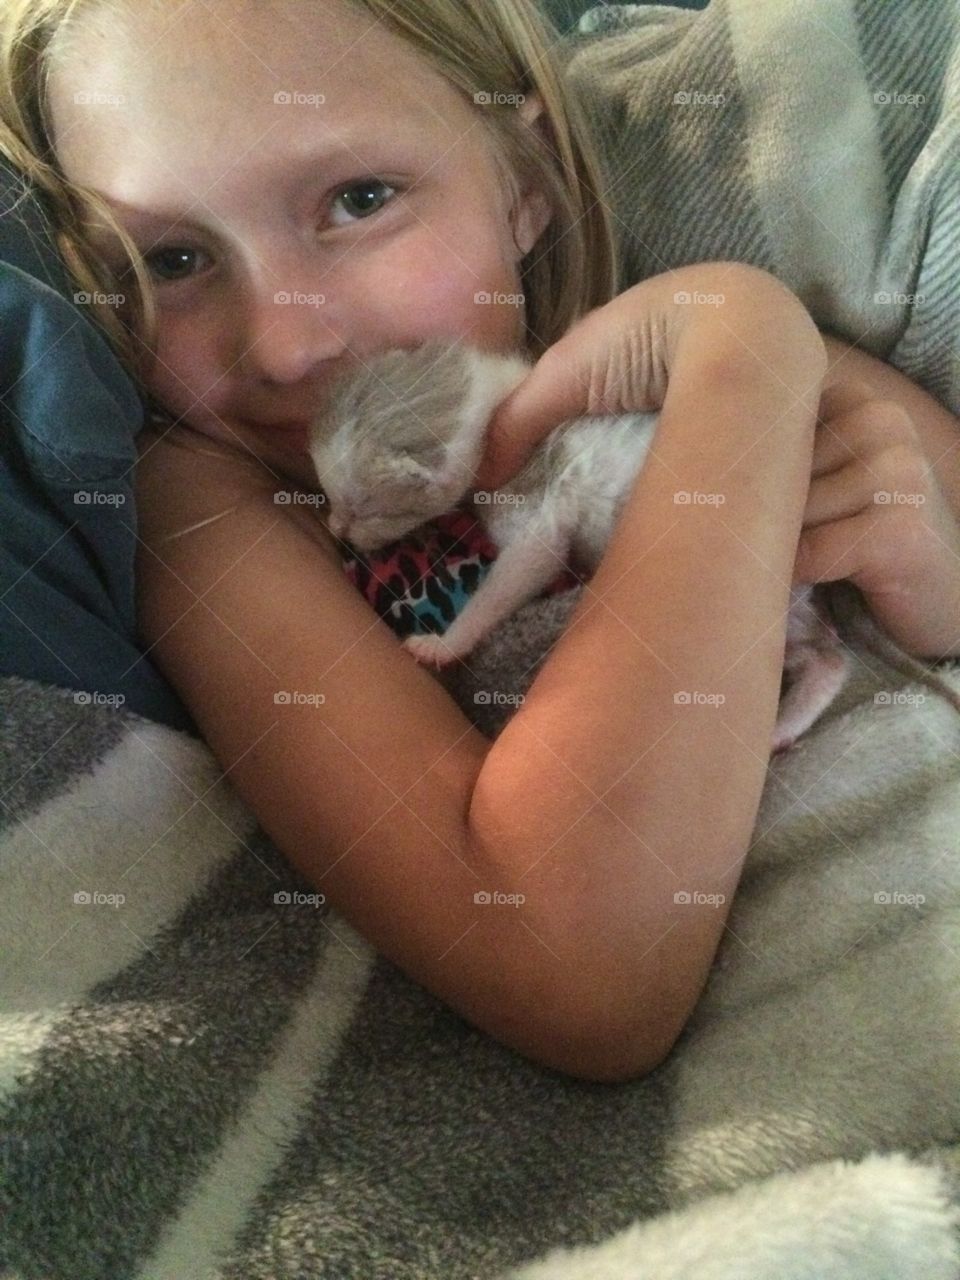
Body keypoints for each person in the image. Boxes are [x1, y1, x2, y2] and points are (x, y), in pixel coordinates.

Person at [0, 0, 957, 1082]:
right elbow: (578, 966)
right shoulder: (211, 504)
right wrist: (746, 354)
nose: (286, 340)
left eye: (359, 200)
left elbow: (929, 565)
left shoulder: (664, 355)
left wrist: (930, 590)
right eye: (171, 260)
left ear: (527, 184)